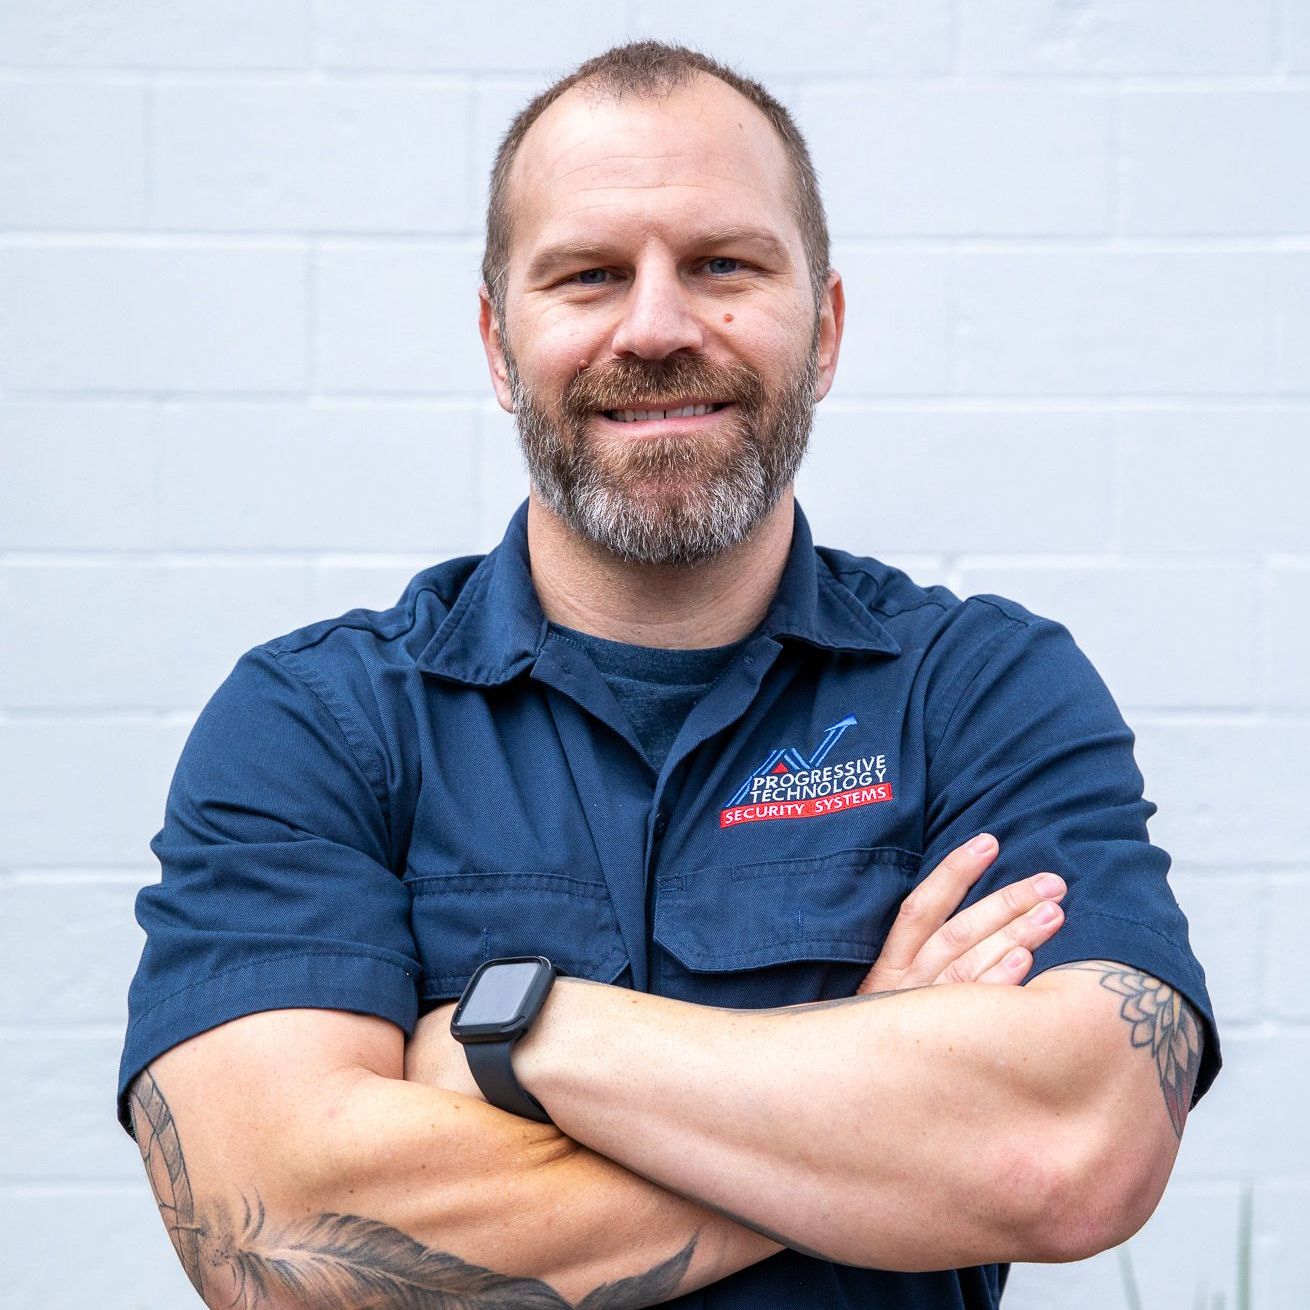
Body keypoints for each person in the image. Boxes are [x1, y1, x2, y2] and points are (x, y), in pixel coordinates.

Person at [118, 40, 1219, 1310]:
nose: (654, 326)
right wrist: (876, 1105)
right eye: (588, 275)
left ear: (825, 327)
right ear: (496, 340)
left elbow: (1074, 1146)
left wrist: (521, 1038)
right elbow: (278, 1236)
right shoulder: (316, 726)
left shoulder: (979, 691)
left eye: (723, 266)